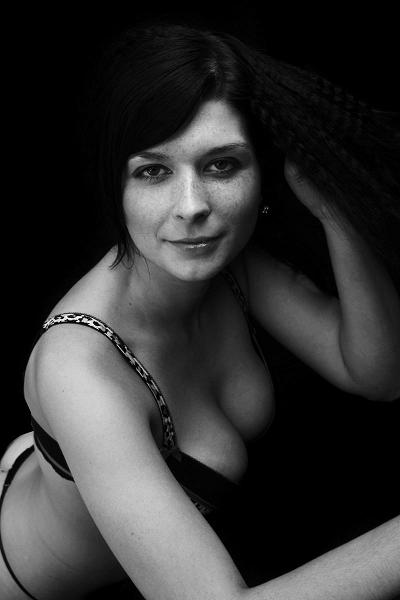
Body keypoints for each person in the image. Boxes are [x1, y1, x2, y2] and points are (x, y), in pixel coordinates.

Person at [1, 22, 400, 600]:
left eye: (221, 165)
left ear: (262, 172)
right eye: (153, 171)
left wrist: (334, 210)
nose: (192, 207)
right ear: (116, 186)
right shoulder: (78, 370)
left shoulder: (229, 268)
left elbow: (378, 373)